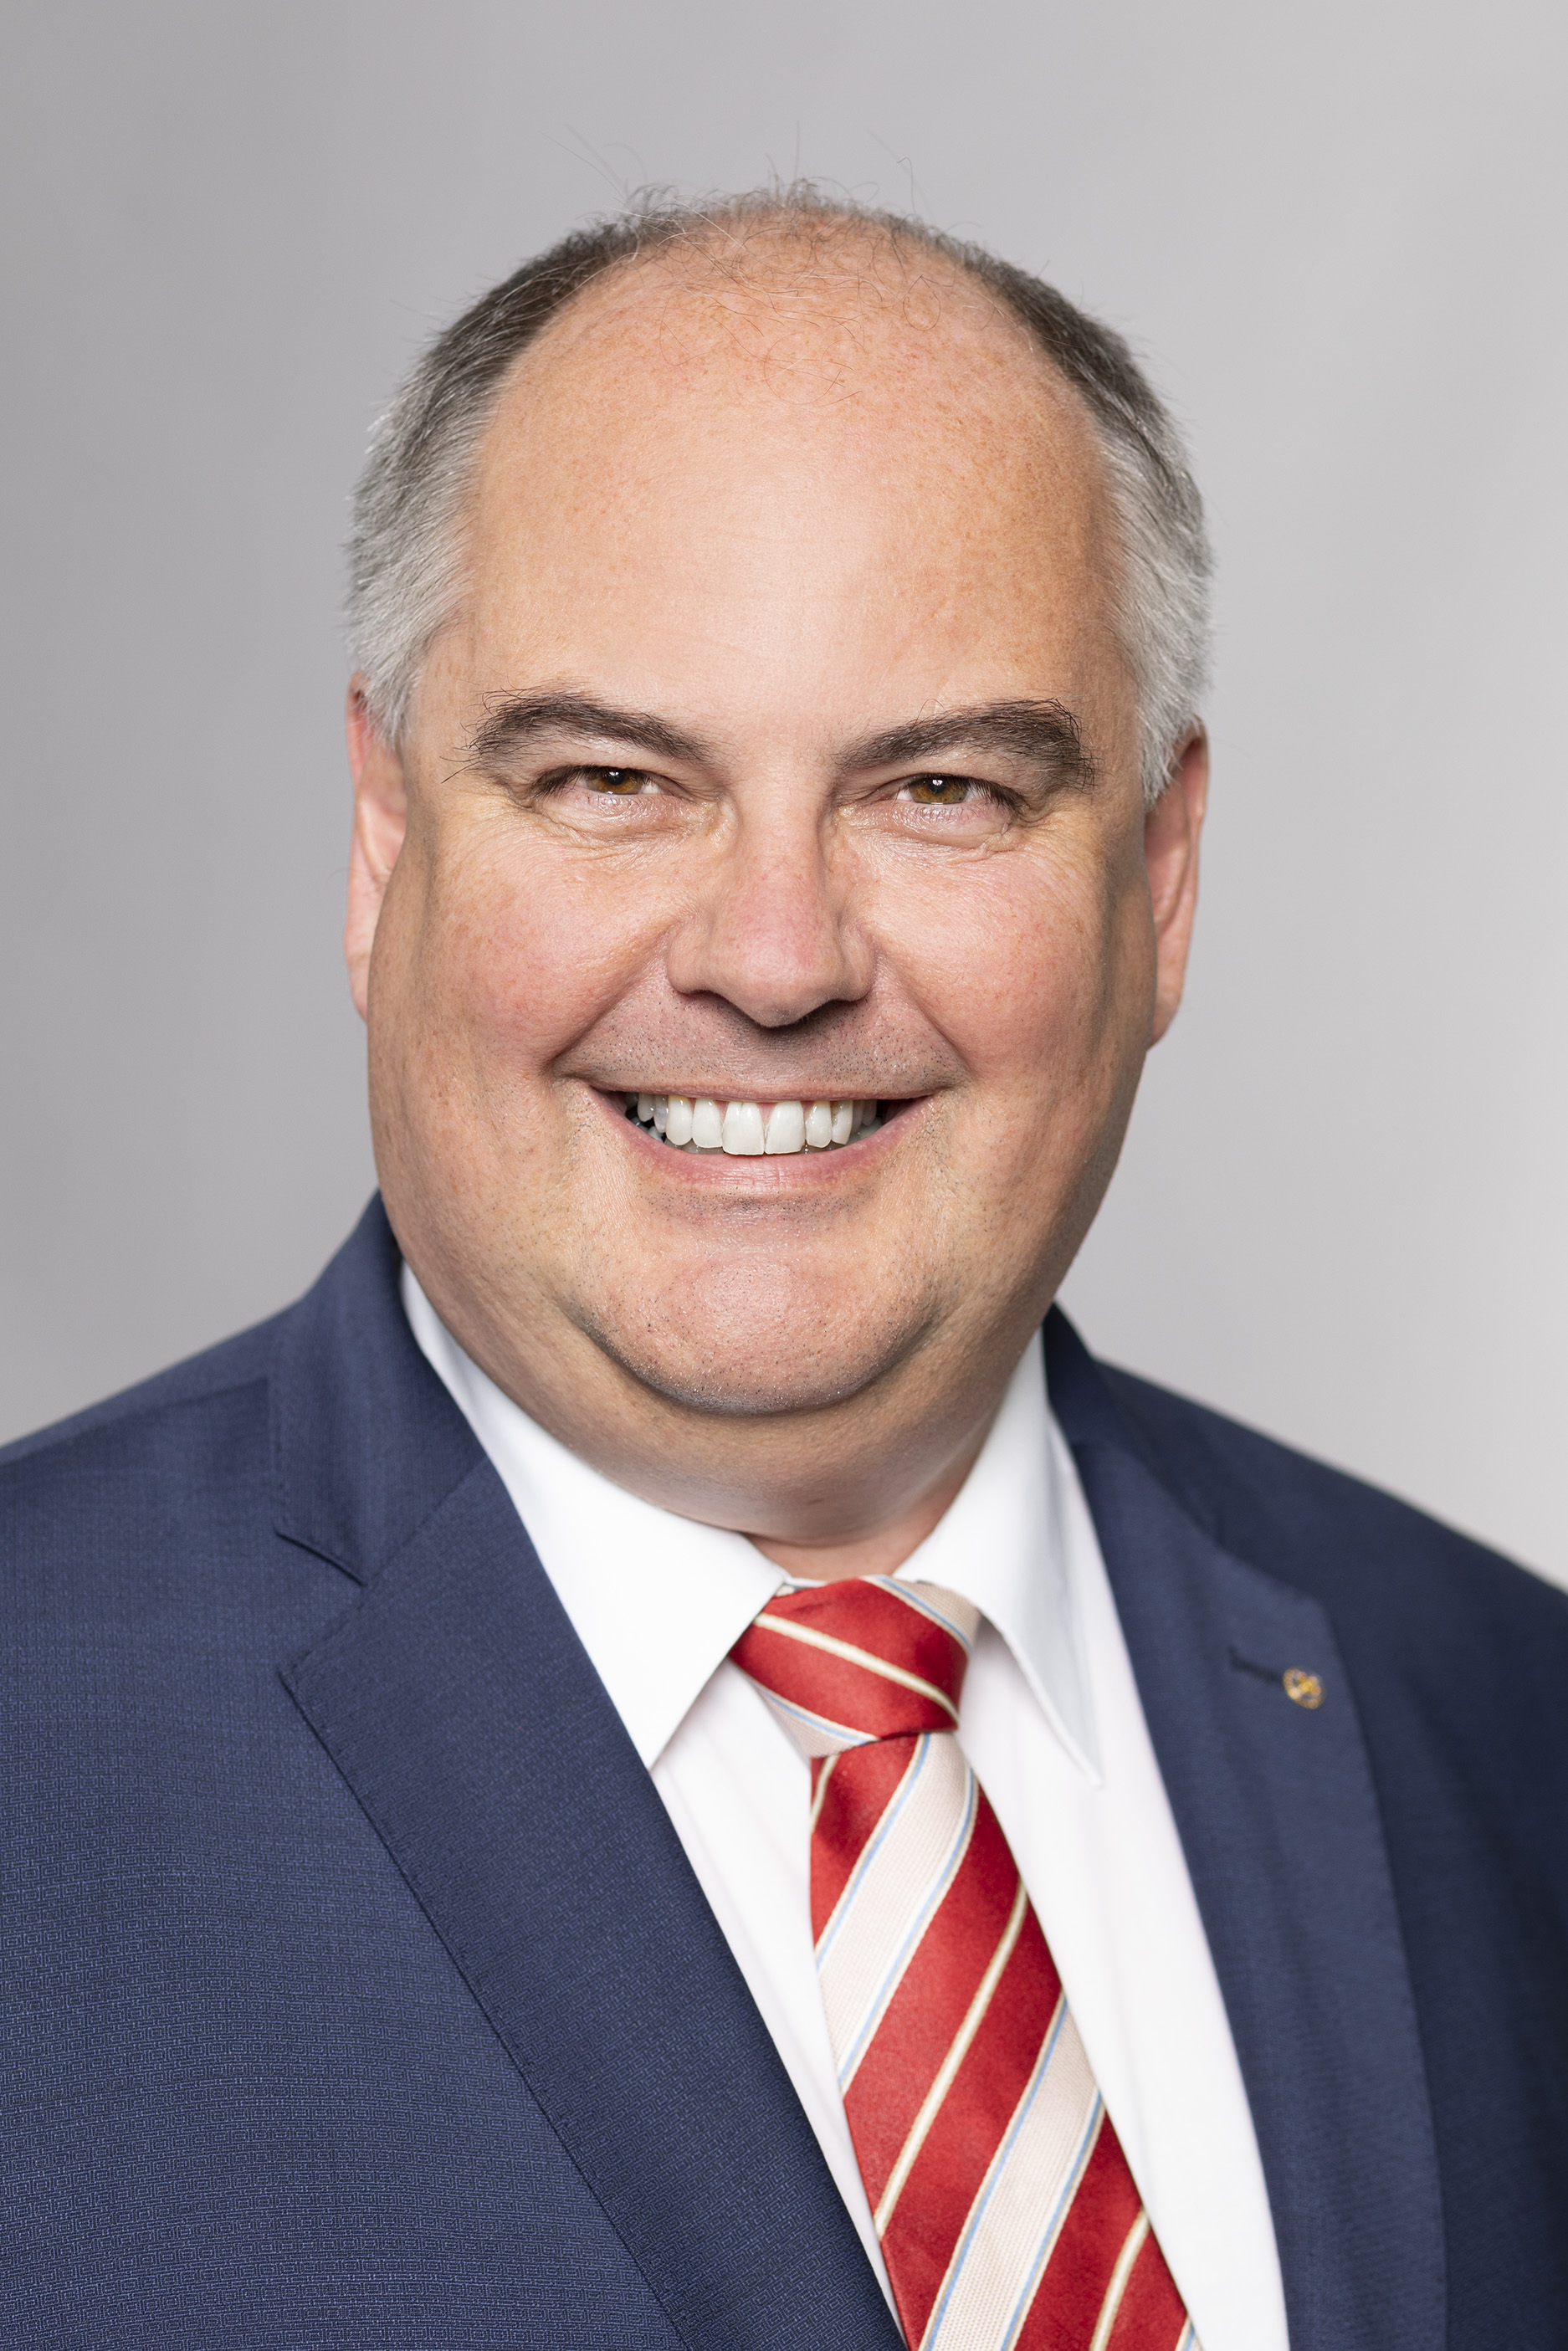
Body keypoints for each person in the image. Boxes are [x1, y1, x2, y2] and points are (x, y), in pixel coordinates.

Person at [4, 191, 1565, 2351]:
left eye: (939, 788)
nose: (771, 958)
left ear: (1161, 877)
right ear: (383, 844)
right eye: (614, 779)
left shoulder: (1503, 1723)